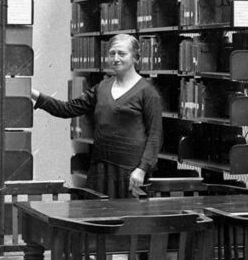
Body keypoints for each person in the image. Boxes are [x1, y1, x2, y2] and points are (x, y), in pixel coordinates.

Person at [31, 33, 162, 198]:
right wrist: (30, 92)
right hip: (100, 169)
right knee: (97, 216)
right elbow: (66, 109)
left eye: (122, 54)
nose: (116, 58)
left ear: (135, 57)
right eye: (112, 53)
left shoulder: (148, 93)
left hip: (130, 173)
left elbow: (155, 136)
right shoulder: (102, 87)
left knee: (128, 220)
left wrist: (142, 169)